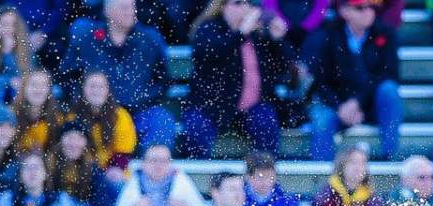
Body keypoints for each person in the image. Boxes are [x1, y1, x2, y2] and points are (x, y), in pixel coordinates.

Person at [182, 0, 293, 158]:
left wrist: (278, 40)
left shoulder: (257, 35)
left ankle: (263, 176)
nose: (245, 8)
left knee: (266, 121)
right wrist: (240, 34)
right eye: (238, 3)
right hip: (210, 107)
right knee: (196, 128)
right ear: (222, 6)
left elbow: (283, 69)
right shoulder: (207, 28)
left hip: (251, 107)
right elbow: (213, 52)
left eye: (248, 3)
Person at [61, 0, 178, 149]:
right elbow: (67, 76)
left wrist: (143, 98)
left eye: (133, 7)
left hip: (140, 112)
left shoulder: (149, 39)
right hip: (95, 113)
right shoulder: (87, 39)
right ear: (108, 12)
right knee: (75, 125)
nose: (131, 11)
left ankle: (151, 170)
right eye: (124, 7)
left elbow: (165, 79)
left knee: (162, 122)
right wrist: (88, 100)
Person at [302, 0, 403, 161]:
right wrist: (339, 107)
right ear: (344, 10)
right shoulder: (327, 35)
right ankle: (322, 178)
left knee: (389, 90)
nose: (368, 12)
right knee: (322, 120)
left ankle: (390, 158)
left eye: (371, 7)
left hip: (370, 104)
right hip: (337, 104)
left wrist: (357, 103)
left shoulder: (385, 33)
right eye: (360, 8)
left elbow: (388, 74)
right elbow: (320, 80)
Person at [69, 71, 137, 172]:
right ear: (83, 90)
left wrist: (113, 169)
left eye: (101, 87)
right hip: (81, 170)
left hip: (112, 171)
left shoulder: (120, 116)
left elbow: (124, 152)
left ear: (108, 90)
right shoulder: (72, 117)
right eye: (92, 86)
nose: (96, 91)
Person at [11, 69, 64, 154]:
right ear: (24, 88)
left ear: (49, 90)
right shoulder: (11, 115)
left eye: (43, 85)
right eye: (34, 84)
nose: (38, 89)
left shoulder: (57, 119)